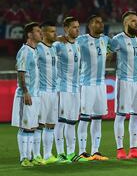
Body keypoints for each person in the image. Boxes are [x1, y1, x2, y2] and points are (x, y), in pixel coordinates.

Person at [111, 11, 137, 159]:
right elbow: (106, 54)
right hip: (124, 81)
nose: (136, 23)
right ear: (126, 23)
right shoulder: (117, 39)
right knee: (120, 116)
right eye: (133, 21)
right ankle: (120, 150)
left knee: (136, 116)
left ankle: (134, 149)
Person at [76, 15, 109, 161]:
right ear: (90, 25)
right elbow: (67, 44)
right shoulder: (81, 40)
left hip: (100, 84)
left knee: (97, 118)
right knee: (84, 118)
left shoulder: (105, 39)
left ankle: (96, 151)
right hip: (87, 84)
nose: (100, 24)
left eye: (102, 22)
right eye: (97, 22)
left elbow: (114, 49)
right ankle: (82, 151)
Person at [53, 17, 86, 162]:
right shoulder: (58, 45)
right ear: (66, 29)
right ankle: (60, 153)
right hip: (62, 88)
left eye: (78, 27)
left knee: (72, 121)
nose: (77, 29)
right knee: (61, 121)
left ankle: (72, 153)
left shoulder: (78, 44)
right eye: (74, 27)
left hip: (75, 88)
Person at [11, 22, 42, 167]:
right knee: (25, 127)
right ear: (29, 34)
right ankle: (24, 158)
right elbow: (20, 73)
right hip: (26, 95)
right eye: (37, 31)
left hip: (35, 94)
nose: (40, 33)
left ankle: (30, 157)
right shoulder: (24, 51)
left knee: (32, 127)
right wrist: (25, 92)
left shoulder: (35, 50)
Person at [36, 22, 59, 164]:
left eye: (55, 31)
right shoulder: (38, 48)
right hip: (42, 91)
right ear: (43, 33)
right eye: (51, 32)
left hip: (53, 91)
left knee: (51, 124)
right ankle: (37, 155)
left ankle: (48, 154)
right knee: (39, 124)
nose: (55, 34)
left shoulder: (55, 48)